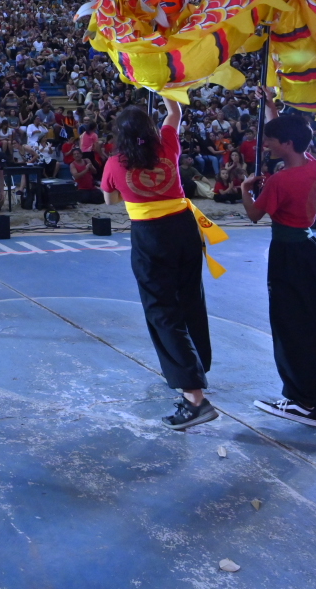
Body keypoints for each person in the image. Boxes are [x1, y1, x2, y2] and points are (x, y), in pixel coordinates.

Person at [103, 95, 222, 431]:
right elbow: (175, 111)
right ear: (151, 129)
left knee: (161, 310)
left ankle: (194, 397)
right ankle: (198, 365)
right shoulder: (167, 146)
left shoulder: (116, 163)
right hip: (184, 230)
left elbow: (110, 200)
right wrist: (161, 85)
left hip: (150, 236)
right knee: (190, 299)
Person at [240, 108, 316, 428]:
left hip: (288, 254)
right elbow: (295, 133)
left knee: (291, 328)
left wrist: (245, 189)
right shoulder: (313, 166)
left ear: (287, 143)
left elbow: (253, 215)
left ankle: (303, 402)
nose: (267, 145)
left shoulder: (279, 180)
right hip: (311, 250)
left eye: (272, 141)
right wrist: (272, 107)